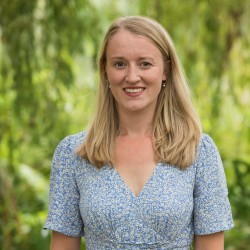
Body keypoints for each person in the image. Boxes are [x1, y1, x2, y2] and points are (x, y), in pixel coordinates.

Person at [44, 16, 234, 250]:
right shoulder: (73, 154)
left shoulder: (198, 151)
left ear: (166, 70)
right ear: (105, 70)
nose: (132, 76)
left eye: (145, 63)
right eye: (120, 64)